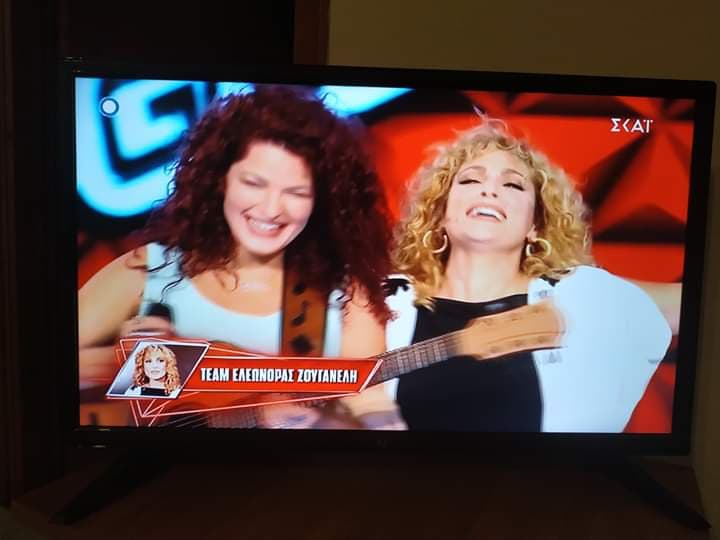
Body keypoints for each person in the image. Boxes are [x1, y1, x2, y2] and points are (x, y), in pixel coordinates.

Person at [79, 85, 401, 428]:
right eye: (253, 183)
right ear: (221, 180)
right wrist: (129, 362)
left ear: (319, 200)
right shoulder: (150, 269)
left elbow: (371, 404)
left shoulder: (347, 294)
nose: (271, 209)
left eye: (296, 193)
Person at [383, 116, 672, 433]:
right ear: (440, 213)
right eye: (470, 180)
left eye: (512, 184)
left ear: (535, 226)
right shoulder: (380, 301)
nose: (489, 191)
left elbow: (694, 305)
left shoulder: (583, 296)